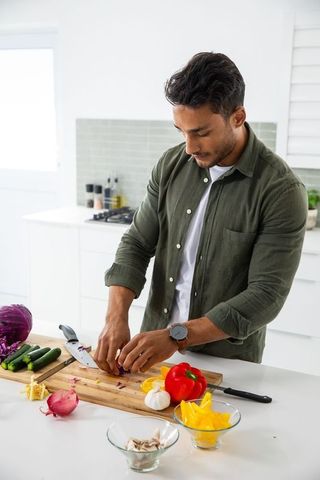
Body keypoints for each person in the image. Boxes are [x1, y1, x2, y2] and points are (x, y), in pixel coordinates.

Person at [94, 52, 307, 375]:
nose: (189, 147)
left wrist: (177, 335)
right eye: (181, 131)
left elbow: (266, 295)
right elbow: (137, 242)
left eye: (201, 132)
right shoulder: (171, 165)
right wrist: (115, 317)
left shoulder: (281, 190)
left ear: (237, 116)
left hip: (226, 364)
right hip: (153, 353)